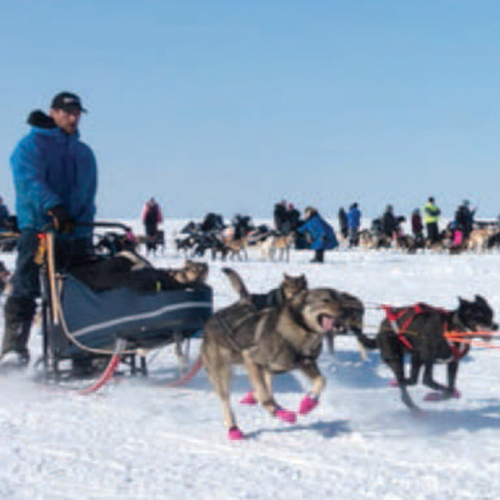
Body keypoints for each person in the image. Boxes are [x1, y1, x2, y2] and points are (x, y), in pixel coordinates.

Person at [1, 91, 97, 365]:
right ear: (53, 112)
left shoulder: (83, 152)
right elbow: (29, 181)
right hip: (39, 228)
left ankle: (78, 349)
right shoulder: (30, 146)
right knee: (26, 285)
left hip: (76, 231)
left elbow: (87, 193)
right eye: (66, 112)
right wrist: (53, 206)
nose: (72, 118)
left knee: (79, 290)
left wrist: (83, 223)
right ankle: (14, 348)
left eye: (76, 113)